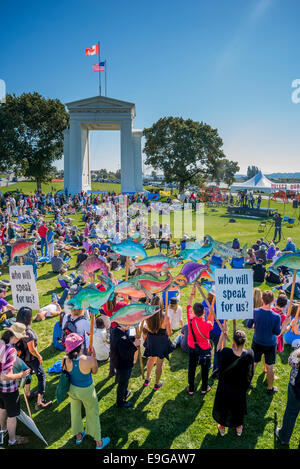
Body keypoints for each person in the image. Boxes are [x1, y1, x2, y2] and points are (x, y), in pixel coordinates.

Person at [63, 333, 110, 448]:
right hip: (86, 391)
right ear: (80, 347)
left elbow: (67, 370)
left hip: (72, 390)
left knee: (75, 412)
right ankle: (98, 442)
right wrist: (91, 357)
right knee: (92, 413)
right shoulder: (90, 360)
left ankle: (78, 436)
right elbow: (94, 372)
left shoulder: (64, 359)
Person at [212, 330, 254, 437]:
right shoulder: (249, 354)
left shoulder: (226, 352)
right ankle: (238, 428)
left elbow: (218, 349)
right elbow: (250, 373)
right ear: (244, 342)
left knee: (224, 407)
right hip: (240, 387)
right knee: (238, 407)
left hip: (225, 387)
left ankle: (222, 427)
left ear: (233, 343)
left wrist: (222, 334)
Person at [15, 306, 53, 410]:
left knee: (28, 374)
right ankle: (40, 402)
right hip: (31, 358)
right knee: (41, 376)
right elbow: (32, 350)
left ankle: (28, 394)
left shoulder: (16, 327)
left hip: (22, 358)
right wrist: (39, 356)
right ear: (28, 317)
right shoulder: (28, 332)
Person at [0, 323, 31, 446]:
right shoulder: (11, 350)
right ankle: (12, 440)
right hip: (9, 389)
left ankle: (2, 430)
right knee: (12, 415)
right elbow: (4, 375)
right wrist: (21, 375)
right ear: (17, 337)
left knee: (2, 409)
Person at [247, 290, 281, 394]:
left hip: (257, 341)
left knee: (253, 363)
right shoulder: (276, 317)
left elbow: (248, 326)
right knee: (269, 366)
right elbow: (277, 332)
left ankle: (247, 383)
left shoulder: (254, 311)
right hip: (270, 343)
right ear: (273, 300)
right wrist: (285, 325)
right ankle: (270, 388)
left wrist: (255, 325)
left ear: (262, 299)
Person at [186, 285, 214, 395]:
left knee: (192, 367)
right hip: (204, 348)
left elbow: (188, 304)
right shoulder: (207, 324)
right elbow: (211, 322)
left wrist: (192, 294)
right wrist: (210, 310)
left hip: (192, 346)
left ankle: (191, 389)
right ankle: (204, 388)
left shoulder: (190, 319)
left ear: (193, 311)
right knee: (205, 368)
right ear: (203, 312)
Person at [143, 296, 173, 391]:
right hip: (161, 341)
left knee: (151, 359)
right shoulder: (165, 317)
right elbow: (170, 333)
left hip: (151, 340)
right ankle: (156, 384)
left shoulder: (148, 315)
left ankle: (147, 379)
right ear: (161, 305)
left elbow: (146, 328)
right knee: (159, 363)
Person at [110, 322, 141, 408]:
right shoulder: (120, 337)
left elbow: (125, 341)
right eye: (128, 324)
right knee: (123, 383)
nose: (129, 326)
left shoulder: (116, 331)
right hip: (123, 364)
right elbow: (125, 354)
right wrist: (134, 344)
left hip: (118, 361)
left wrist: (132, 339)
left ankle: (125, 392)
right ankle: (120, 402)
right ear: (122, 325)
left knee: (123, 379)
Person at [275, 346, 300, 445]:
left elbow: (290, 361)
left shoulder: (298, 353)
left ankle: (284, 437)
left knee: (291, 412)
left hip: (296, 388)